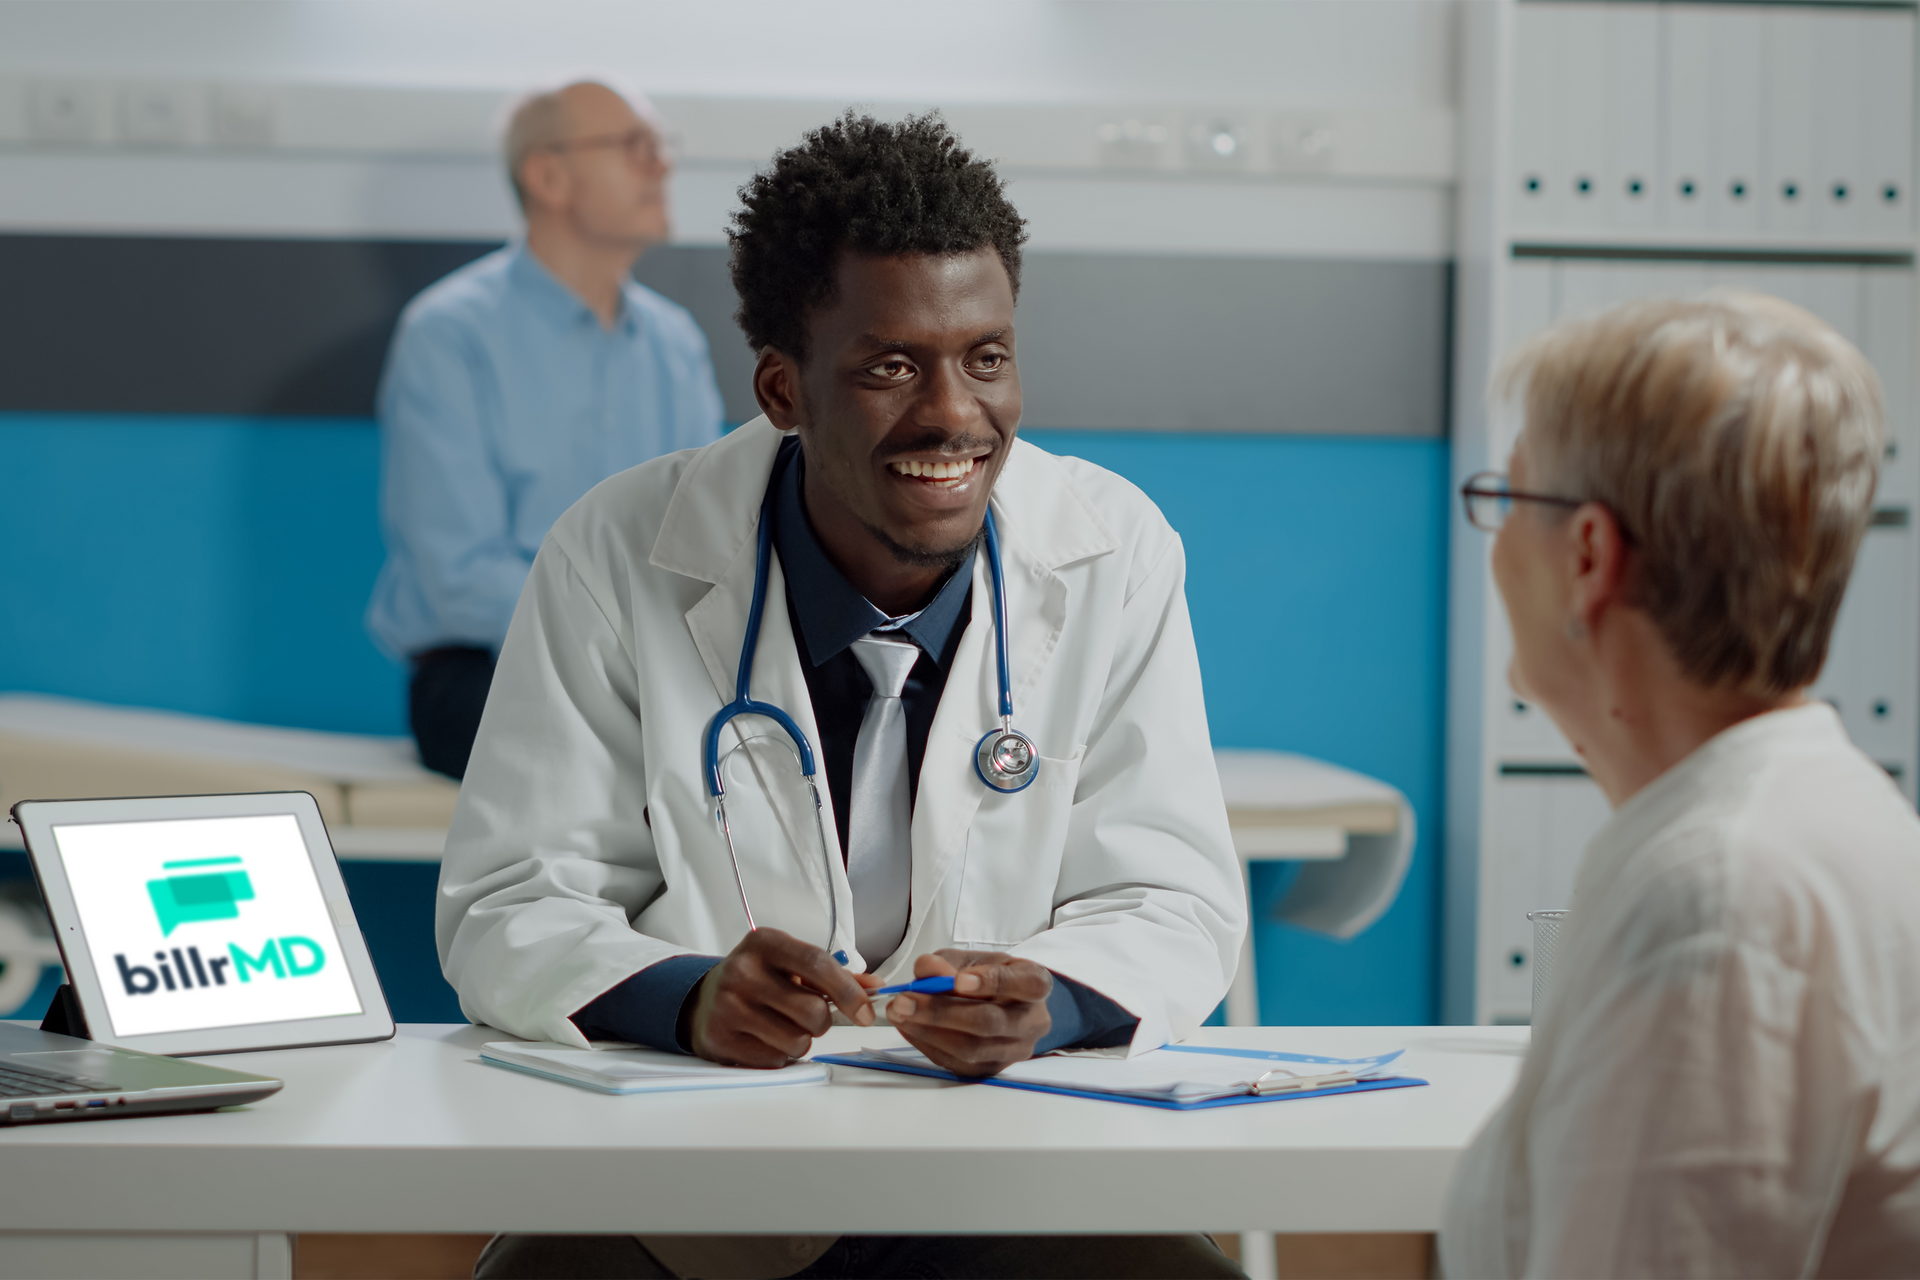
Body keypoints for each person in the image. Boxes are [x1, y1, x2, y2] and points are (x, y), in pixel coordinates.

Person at [438, 112, 1247, 1279]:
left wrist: (1056, 1002)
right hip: (702, 1176)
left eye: (986, 355)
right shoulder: (617, 551)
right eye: (889, 366)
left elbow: (1173, 894)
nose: (955, 415)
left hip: (1017, 1168)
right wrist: (688, 996)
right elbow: (510, 898)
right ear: (783, 387)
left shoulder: (1110, 549)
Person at [1443, 294, 1920, 1276]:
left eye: (1508, 497)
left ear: (1587, 556)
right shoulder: (1799, 819)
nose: (1492, 545)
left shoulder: (1721, 895)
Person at [366, 81, 724, 779]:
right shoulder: (450, 334)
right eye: (636, 148)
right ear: (548, 175)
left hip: (652, 667)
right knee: (655, 755)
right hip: (490, 674)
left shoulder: (674, 342)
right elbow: (457, 577)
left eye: (662, 148)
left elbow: (708, 539)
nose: (662, 167)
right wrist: (634, 643)